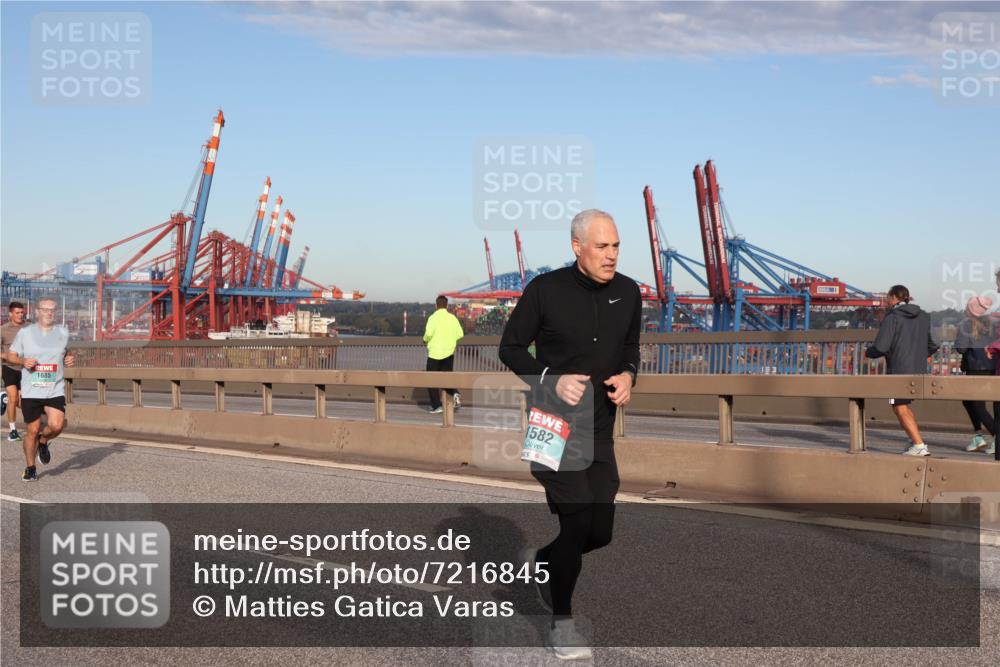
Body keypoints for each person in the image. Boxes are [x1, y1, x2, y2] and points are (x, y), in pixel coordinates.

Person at [499, 209, 641, 660]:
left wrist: (629, 374)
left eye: (616, 245)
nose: (611, 255)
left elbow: (631, 347)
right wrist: (549, 378)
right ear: (577, 246)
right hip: (551, 426)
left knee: (599, 532)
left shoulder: (628, 292)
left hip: (599, 430)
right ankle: (561, 624)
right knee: (577, 519)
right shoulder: (545, 290)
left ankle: (541, 563)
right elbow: (510, 348)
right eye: (602, 246)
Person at [5, 296, 74, 481]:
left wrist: (69, 358)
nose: (49, 313)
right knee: (33, 430)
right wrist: (22, 361)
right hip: (32, 389)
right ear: (37, 312)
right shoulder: (25, 334)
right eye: (45, 309)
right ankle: (30, 467)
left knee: (57, 425)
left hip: (54, 388)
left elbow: (66, 352)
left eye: (52, 309)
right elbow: (11, 356)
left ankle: (43, 442)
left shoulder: (61, 333)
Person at [865, 285, 939, 456]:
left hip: (898, 369)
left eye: (887, 298)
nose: (886, 301)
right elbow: (933, 344)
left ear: (893, 298)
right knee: (902, 405)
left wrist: (868, 352)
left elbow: (881, 347)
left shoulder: (892, 317)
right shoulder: (923, 316)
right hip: (918, 369)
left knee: (898, 406)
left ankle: (919, 445)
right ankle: (914, 440)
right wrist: (918, 356)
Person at [956, 296, 996, 453]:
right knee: (968, 401)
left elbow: (961, 349)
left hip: (974, 368)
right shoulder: (990, 324)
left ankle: (996, 436)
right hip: (991, 367)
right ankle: (978, 436)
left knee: (976, 405)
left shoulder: (966, 324)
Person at [423, 295, 465, 414]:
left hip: (434, 354)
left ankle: (437, 406)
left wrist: (425, 340)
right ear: (447, 306)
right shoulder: (452, 318)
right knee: (447, 378)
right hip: (449, 353)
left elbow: (429, 334)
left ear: (436, 306)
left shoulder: (433, 318)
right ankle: (455, 393)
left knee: (431, 380)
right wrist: (450, 340)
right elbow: (460, 334)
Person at [1, 301, 27, 441]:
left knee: (22, 403)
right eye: (17, 313)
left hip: (25, 369)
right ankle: (13, 431)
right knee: (13, 397)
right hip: (9, 367)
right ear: (11, 314)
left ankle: (3, 399)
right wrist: (3, 355)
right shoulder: (3, 329)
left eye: (22, 312)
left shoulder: (29, 327)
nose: (20, 315)